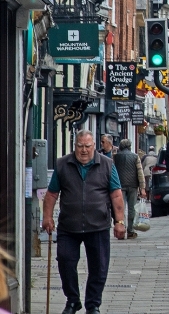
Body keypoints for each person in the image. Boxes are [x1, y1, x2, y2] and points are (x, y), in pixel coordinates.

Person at [41, 130, 127, 314]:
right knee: (65, 261)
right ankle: (73, 300)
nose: (84, 150)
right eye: (80, 146)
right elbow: (51, 194)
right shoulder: (63, 164)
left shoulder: (107, 164)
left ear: (94, 146)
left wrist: (119, 221)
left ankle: (93, 304)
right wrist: (47, 217)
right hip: (68, 225)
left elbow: (116, 194)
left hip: (98, 225)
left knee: (99, 266)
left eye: (87, 146)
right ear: (75, 146)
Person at [112, 139, 146, 239]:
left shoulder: (116, 157)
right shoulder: (135, 156)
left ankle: (121, 230)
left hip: (119, 186)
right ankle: (131, 231)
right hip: (133, 186)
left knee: (120, 209)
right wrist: (142, 188)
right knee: (132, 209)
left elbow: (112, 171)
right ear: (130, 146)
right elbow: (140, 173)